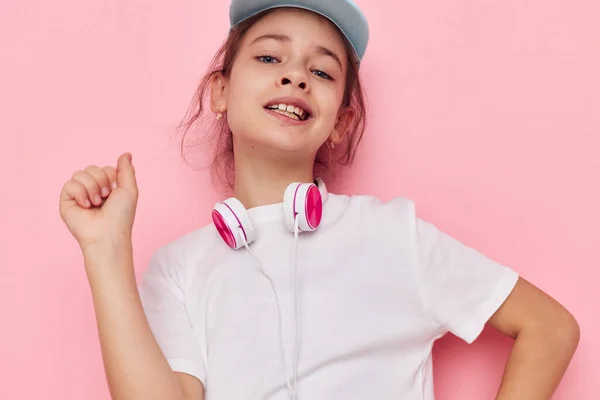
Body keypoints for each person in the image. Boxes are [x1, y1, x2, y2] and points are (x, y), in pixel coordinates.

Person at [59, 1, 580, 399]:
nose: (295, 76)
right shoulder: (179, 267)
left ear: (341, 122)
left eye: (323, 71)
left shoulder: (393, 234)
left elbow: (550, 328)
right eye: (268, 56)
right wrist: (105, 253)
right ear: (220, 92)